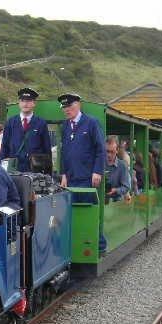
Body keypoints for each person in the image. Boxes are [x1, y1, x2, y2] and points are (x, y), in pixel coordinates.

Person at [58, 92, 106, 251]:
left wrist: (97, 171)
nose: (67, 109)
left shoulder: (91, 123)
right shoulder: (65, 126)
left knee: (89, 211)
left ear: (78, 104)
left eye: (69, 106)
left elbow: (100, 149)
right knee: (71, 213)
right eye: (64, 107)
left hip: (87, 177)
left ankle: (98, 245)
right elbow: (64, 152)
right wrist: (63, 174)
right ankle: (76, 246)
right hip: (71, 178)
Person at [0, 88, 52, 172]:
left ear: (34, 103)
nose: (25, 104)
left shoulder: (41, 123)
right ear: (19, 103)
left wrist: (48, 173)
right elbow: (4, 147)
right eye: (22, 101)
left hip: (35, 170)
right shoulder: (11, 122)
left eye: (28, 101)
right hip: (14, 170)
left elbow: (46, 149)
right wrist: (2, 170)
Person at [104, 136, 131, 202]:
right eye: (107, 151)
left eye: (112, 152)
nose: (109, 155)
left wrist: (116, 190)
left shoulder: (122, 166)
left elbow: (126, 187)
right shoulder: (99, 164)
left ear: (117, 150)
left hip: (116, 203)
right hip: (100, 202)